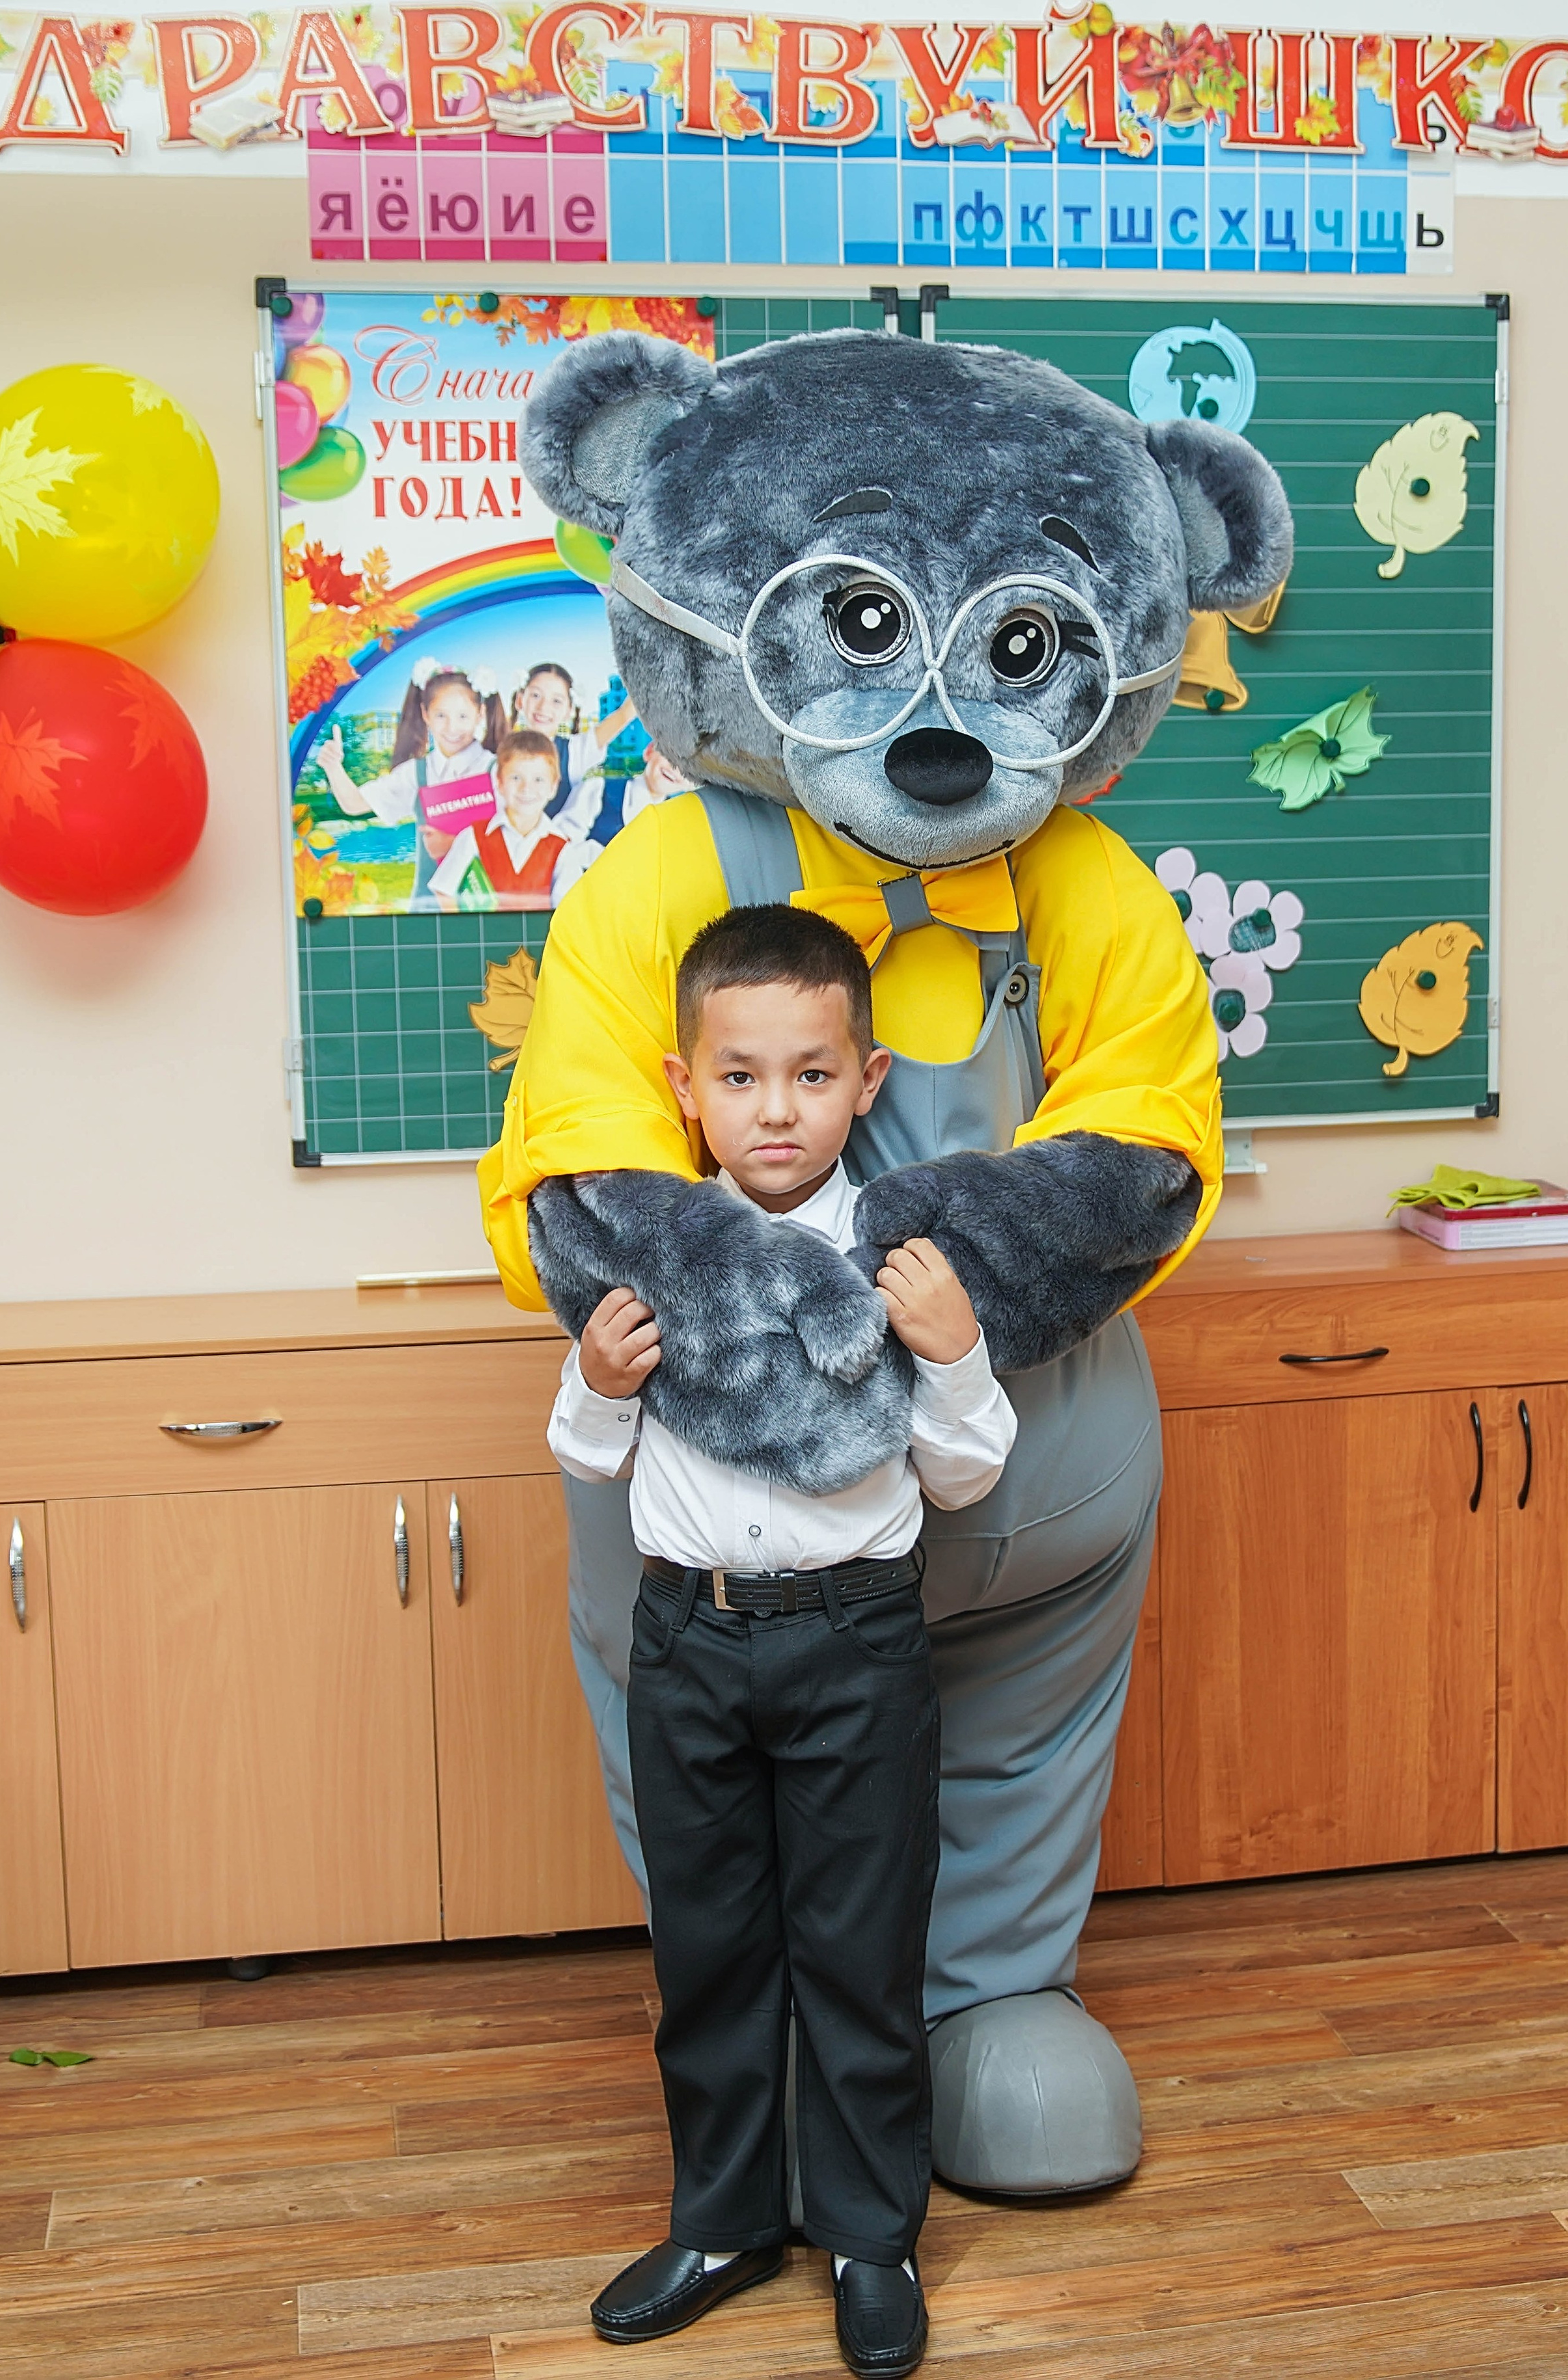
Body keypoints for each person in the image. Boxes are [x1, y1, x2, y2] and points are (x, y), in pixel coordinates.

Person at [546, 905, 1016, 2379]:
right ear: (684, 1085)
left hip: (854, 1643)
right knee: (710, 1945)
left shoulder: (897, 1256)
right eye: (740, 1075)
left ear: (865, 1080)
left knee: (859, 1947)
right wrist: (598, 1380)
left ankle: (870, 2235)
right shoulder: (652, 1250)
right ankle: (724, 2218)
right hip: (689, 1637)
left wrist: (952, 1355)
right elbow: (586, 1454)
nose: (774, 1107)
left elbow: (963, 1477)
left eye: (809, 1075)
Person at [317, 658, 505, 907]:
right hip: (429, 909)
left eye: (462, 716)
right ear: (425, 715)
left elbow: (523, 835)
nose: (452, 727)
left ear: (480, 714)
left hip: (492, 905)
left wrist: (454, 844)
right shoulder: (416, 773)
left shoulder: (498, 770)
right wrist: (333, 766)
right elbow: (354, 804)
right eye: (441, 715)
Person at [431, 730, 601, 911]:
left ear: (553, 787)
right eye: (516, 778)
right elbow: (444, 891)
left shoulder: (562, 850)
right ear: (500, 783)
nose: (526, 789)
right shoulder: (473, 837)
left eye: (538, 780)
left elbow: (566, 914)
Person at [511, 660, 635, 836]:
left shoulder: (576, 752)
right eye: (536, 696)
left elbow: (624, 715)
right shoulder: (500, 751)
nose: (544, 707)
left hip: (555, 855)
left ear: (569, 710)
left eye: (556, 701)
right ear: (520, 700)